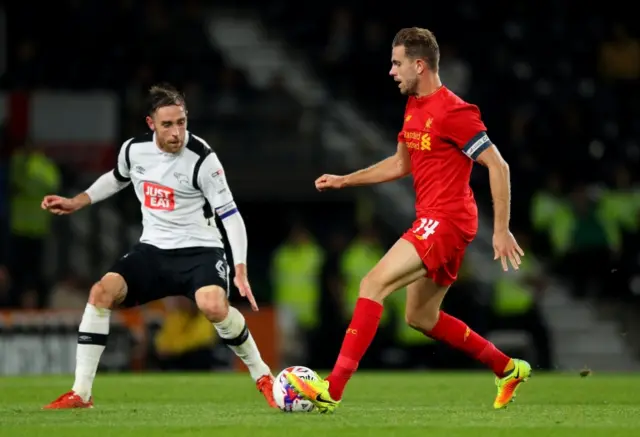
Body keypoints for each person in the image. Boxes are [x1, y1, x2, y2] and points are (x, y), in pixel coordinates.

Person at [286, 27, 529, 413]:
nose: (392, 71)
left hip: (446, 220)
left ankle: (333, 389)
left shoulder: (455, 111)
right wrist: (346, 179)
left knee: (372, 283)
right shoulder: (414, 104)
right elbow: (401, 164)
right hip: (436, 219)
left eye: (397, 63)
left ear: (420, 64)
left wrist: (500, 230)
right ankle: (508, 367)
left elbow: (498, 166)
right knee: (421, 316)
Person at [41, 84, 276, 409]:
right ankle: (81, 393)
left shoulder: (203, 158)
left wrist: (240, 268)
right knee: (101, 293)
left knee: (212, 305)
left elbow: (230, 214)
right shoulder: (133, 150)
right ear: (151, 123)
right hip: (153, 250)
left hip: (201, 250)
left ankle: (263, 376)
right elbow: (116, 177)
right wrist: (77, 201)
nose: (177, 132)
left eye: (181, 122)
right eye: (168, 124)